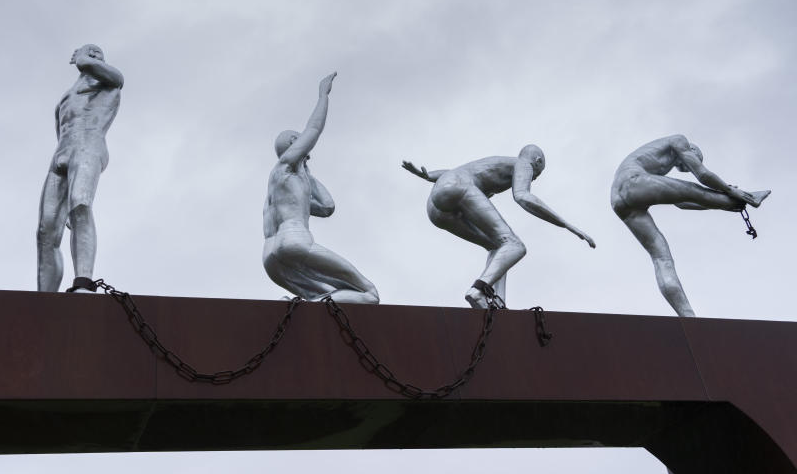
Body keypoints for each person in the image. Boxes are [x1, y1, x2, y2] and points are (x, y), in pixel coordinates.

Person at [403, 145, 595, 308]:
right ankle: (478, 289)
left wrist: (428, 176)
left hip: (436, 208)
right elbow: (522, 196)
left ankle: (497, 302)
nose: (534, 178)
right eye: (538, 173)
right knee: (515, 246)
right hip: (457, 188)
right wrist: (567, 225)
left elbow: (453, 172)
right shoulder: (524, 164)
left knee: (498, 247)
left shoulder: (495, 162)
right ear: (537, 161)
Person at [611, 135, 770, 316]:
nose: (685, 169)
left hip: (619, 202)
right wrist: (730, 190)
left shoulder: (652, 164)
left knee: (662, 258)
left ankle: (687, 315)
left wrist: (723, 206)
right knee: (695, 190)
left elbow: (682, 202)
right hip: (632, 182)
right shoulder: (679, 140)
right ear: (692, 151)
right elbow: (702, 175)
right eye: (689, 163)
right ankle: (749, 197)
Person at [262, 73, 379, 303]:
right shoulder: (285, 165)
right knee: (369, 294)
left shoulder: (281, 183)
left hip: (270, 257)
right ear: (295, 144)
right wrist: (323, 95)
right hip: (294, 241)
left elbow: (327, 207)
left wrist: (306, 170)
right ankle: (314, 305)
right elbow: (314, 129)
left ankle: (303, 307)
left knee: (323, 295)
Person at [37, 44, 123, 293]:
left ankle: (83, 281)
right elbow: (59, 132)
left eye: (99, 54)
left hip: (89, 145)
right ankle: (44, 296)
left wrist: (83, 57)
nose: (95, 56)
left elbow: (92, 66)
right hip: (62, 154)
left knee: (81, 205)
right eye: (91, 51)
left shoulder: (111, 82)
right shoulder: (64, 99)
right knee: (46, 230)